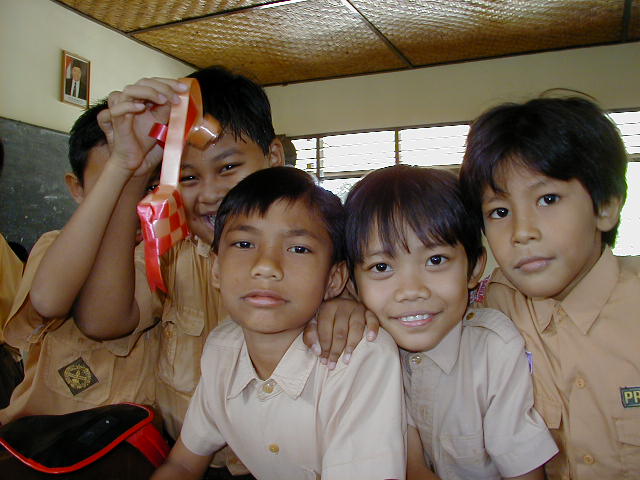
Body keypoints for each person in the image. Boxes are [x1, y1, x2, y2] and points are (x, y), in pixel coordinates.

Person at [82, 66, 376, 477]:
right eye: (187, 176)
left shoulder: (326, 245)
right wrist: (130, 175)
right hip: (189, 458)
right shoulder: (169, 250)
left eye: (228, 168)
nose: (210, 193)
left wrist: (348, 303)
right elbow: (101, 320)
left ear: (273, 157)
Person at [152, 166, 406, 480]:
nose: (266, 266)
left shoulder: (358, 356)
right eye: (244, 244)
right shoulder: (222, 350)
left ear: (334, 279)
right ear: (216, 269)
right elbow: (184, 464)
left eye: (298, 249)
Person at [458, 96, 637, 480]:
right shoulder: (488, 306)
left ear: (605, 206)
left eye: (548, 198)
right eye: (500, 212)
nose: (522, 232)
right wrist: (346, 305)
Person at [344, 165, 558, 480]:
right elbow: (410, 464)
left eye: (435, 260)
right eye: (380, 267)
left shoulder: (494, 350)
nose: (411, 290)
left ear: (473, 269)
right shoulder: (367, 351)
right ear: (352, 282)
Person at [0, 100, 159, 424]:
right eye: (111, 184)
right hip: (41, 436)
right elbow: (48, 300)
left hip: (128, 441)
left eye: (148, 186)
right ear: (77, 189)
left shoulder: (160, 256)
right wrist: (121, 168)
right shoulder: (54, 245)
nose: (132, 199)